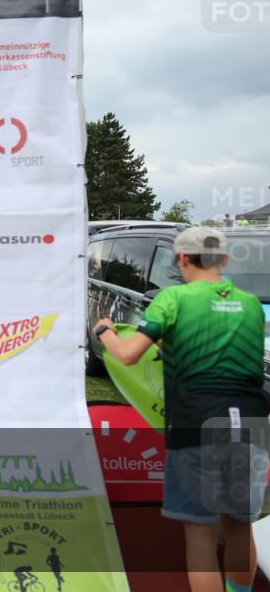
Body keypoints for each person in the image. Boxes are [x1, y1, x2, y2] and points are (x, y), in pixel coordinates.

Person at [94, 227, 267, 592]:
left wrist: (105, 331)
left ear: (181, 259)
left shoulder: (173, 299)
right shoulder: (252, 305)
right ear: (225, 259)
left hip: (196, 421)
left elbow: (128, 354)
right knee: (238, 526)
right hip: (250, 421)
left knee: (201, 533)